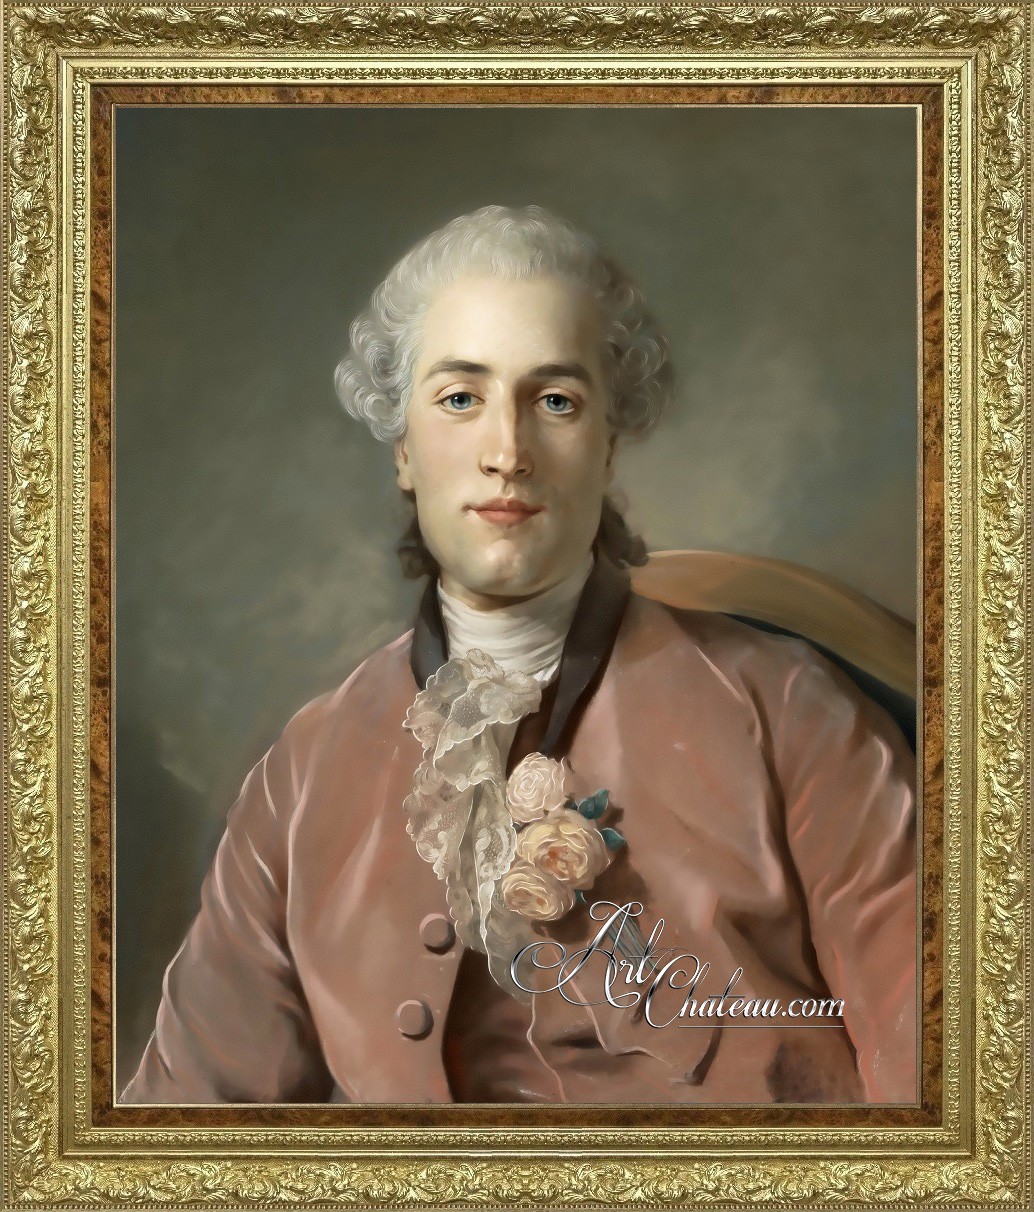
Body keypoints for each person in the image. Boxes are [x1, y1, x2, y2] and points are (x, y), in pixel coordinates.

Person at [122, 205, 917, 1105]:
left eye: (556, 402)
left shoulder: (789, 715)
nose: (508, 452)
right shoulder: (303, 775)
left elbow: (945, 1093)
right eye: (460, 399)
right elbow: (185, 1124)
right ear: (404, 449)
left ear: (608, 446)